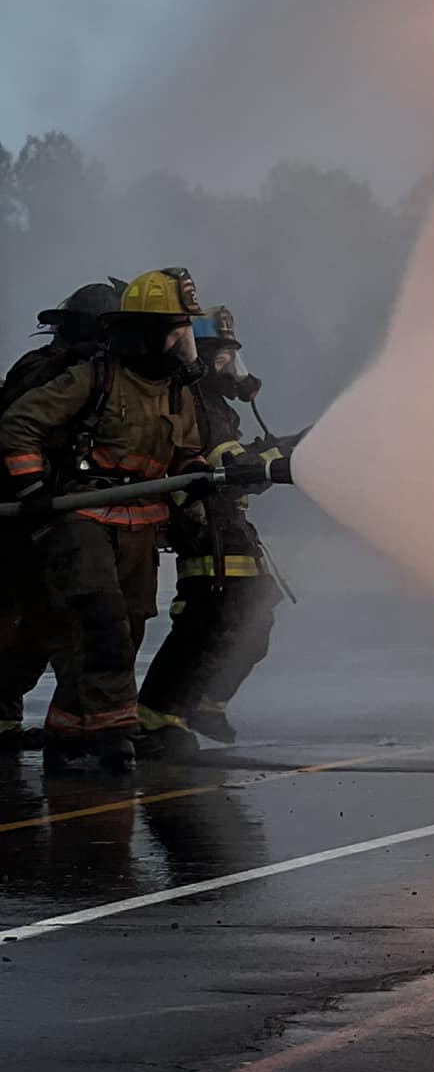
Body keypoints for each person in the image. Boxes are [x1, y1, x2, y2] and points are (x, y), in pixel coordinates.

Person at [0, 269, 206, 776]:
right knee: (100, 627)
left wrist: (197, 480)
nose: (185, 341)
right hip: (83, 518)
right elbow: (18, 425)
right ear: (143, 330)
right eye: (175, 329)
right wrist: (33, 491)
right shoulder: (93, 377)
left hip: (141, 525)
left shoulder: (175, 392)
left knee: (127, 630)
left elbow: (186, 453)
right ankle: (116, 736)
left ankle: (69, 734)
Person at [138, 305, 285, 754]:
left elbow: (238, 468)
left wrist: (278, 454)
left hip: (229, 525)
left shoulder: (214, 402)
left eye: (231, 357)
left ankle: (205, 701)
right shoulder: (196, 399)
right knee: (204, 620)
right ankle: (158, 714)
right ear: (198, 354)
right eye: (221, 356)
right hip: (203, 526)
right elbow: (227, 464)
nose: (230, 366)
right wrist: (272, 461)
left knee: (253, 618)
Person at [0, 281, 125, 750]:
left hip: (68, 521)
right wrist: (34, 487)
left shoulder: (106, 377)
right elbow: (17, 428)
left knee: (64, 625)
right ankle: (67, 732)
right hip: (23, 523)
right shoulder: (45, 371)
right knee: (40, 628)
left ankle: (79, 728)